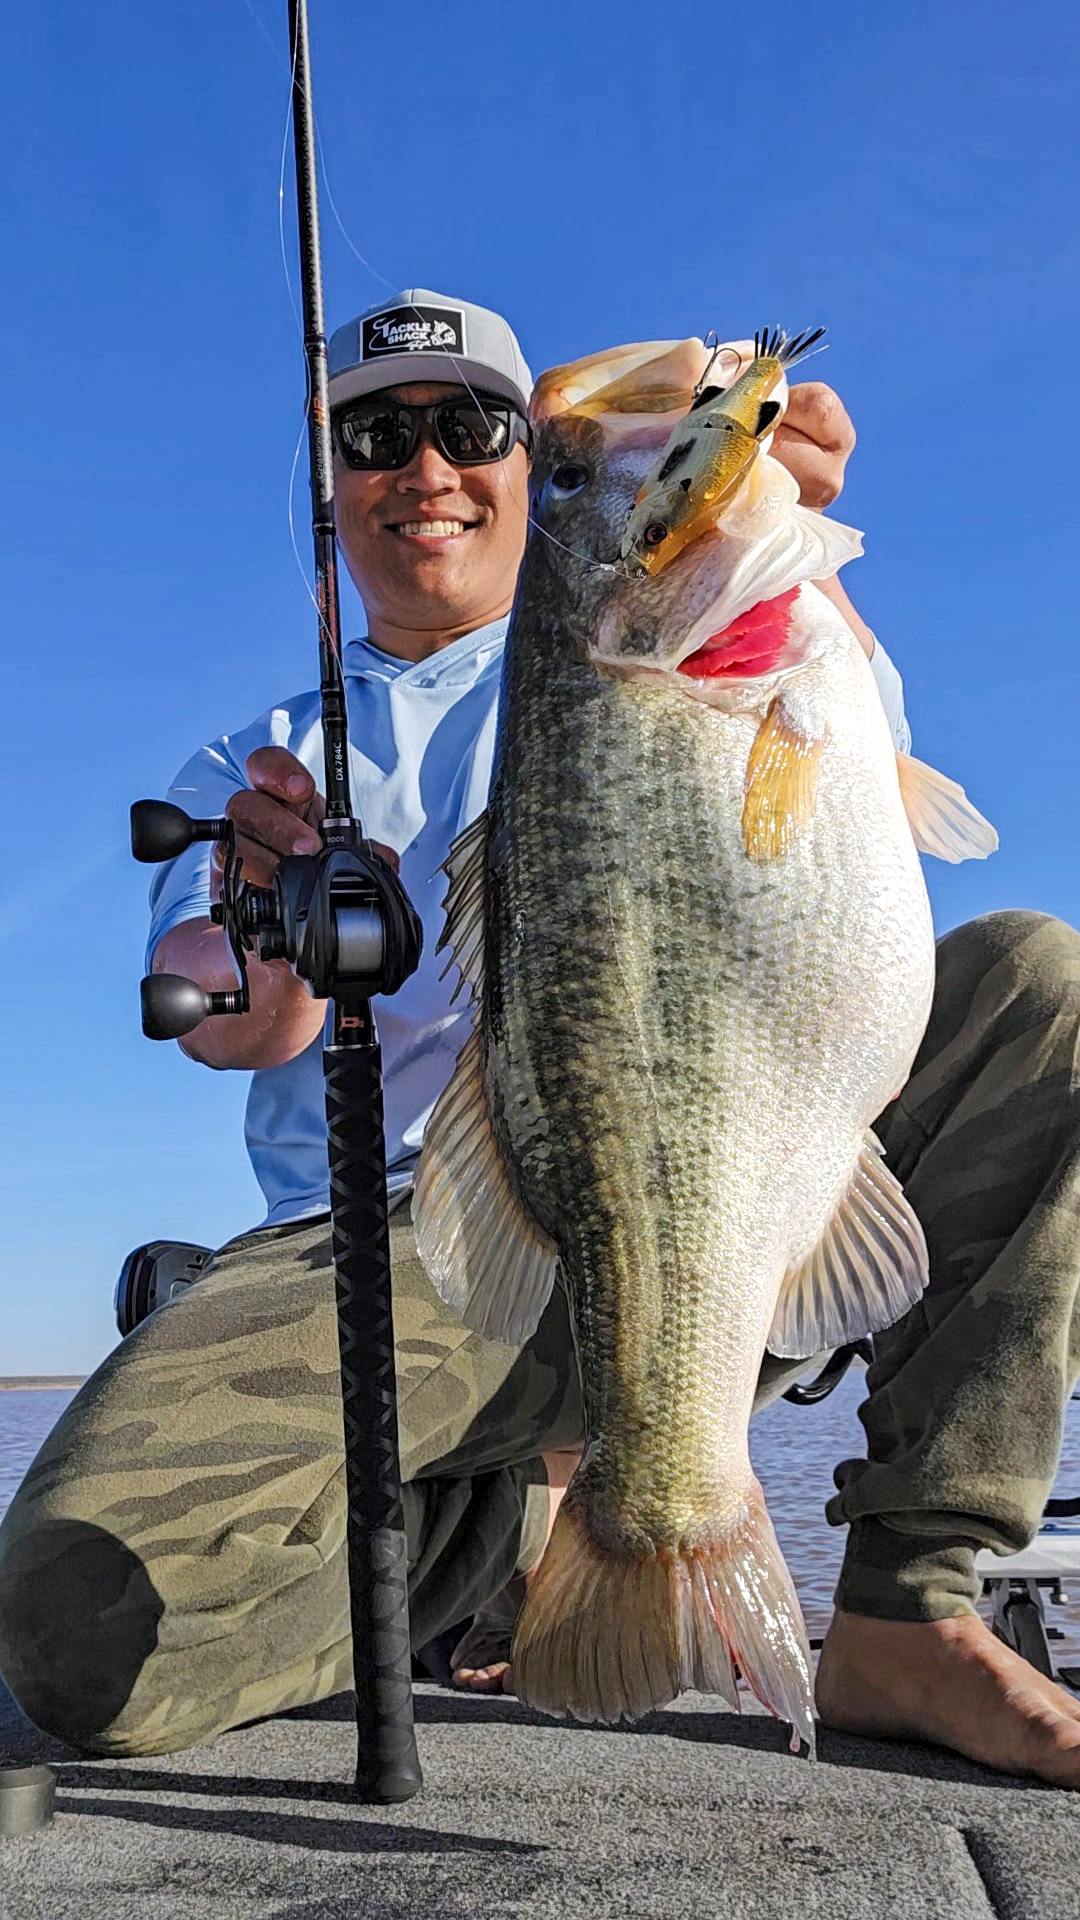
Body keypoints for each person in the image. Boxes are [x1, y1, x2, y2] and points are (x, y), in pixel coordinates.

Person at [1, 291, 1079, 1791]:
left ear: (515, 462)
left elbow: (853, 811)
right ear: (336, 484)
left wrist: (768, 490)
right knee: (72, 1632)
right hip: (404, 1258)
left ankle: (907, 1609)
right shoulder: (260, 755)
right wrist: (280, 926)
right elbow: (229, 1019)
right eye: (377, 435)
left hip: (722, 1222)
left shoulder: (745, 639)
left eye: (480, 429)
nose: (427, 466)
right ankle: (479, 1538)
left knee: (1041, 983)